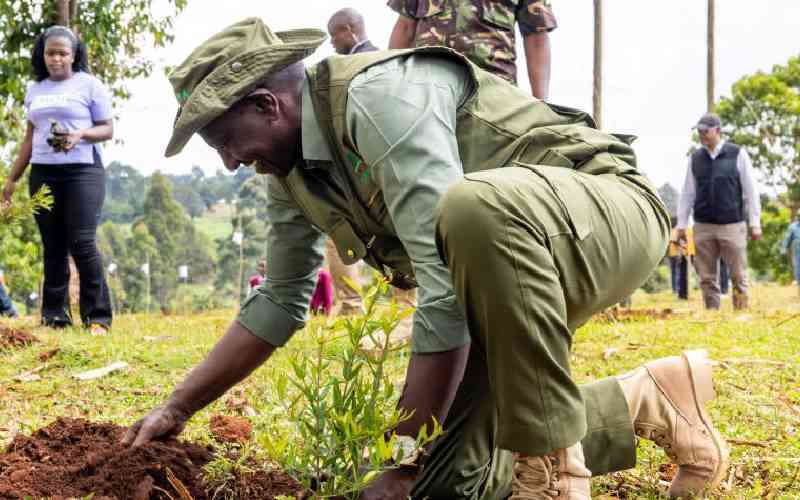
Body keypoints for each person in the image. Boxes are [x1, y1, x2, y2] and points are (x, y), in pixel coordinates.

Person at [123, 20, 728, 500]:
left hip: (603, 213)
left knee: (471, 208)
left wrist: (400, 458)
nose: (231, 162)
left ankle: (553, 475)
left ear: (265, 104)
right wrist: (178, 406)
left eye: (227, 141)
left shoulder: (380, 101)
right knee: (451, 487)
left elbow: (442, 292)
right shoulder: (287, 172)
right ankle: (649, 400)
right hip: (497, 267)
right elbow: (281, 297)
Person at [1, 26, 114, 335]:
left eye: (63, 53)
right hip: (43, 172)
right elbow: (29, 139)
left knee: (82, 241)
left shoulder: (88, 84)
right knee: (53, 246)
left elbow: (107, 129)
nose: (56, 59)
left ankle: (98, 317)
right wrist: (11, 180)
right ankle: (55, 317)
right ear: (43, 54)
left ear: (73, 55)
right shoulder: (34, 89)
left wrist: (79, 135)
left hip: (83, 171)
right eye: (51, 53)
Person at [387, 0, 557, 100]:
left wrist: (540, 103)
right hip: (427, 87)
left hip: (493, 91)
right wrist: (390, 87)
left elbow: (536, 38)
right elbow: (405, 28)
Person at [677, 113, 761, 311]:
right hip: (703, 225)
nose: (702, 135)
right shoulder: (695, 158)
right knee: (706, 276)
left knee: (738, 275)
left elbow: (751, 190)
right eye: (699, 131)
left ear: (717, 130)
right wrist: (681, 224)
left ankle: (741, 311)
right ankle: (712, 313)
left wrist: (755, 222)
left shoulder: (737, 154)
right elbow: (688, 192)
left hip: (732, 224)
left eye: (705, 131)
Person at [781, 212, 800, 295]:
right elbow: (787, 238)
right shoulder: (793, 227)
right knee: (798, 269)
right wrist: (784, 248)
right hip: (798, 251)